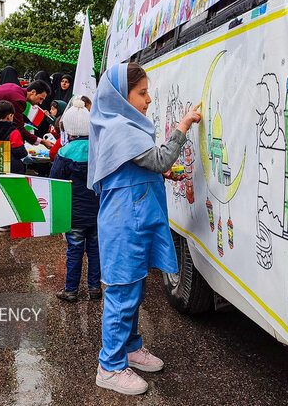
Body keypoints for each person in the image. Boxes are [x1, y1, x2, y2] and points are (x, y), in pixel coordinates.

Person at [88, 63, 201, 395]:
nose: (149, 99)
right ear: (122, 97)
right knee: (123, 294)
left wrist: (159, 174)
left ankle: (131, 348)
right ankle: (109, 366)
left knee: (133, 291)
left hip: (133, 218)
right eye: (142, 93)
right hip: (125, 223)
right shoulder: (121, 128)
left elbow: (137, 167)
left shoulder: (120, 124)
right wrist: (182, 126)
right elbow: (161, 159)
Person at [50, 98, 100, 302]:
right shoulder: (99, 150)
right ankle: (95, 288)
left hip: (74, 214)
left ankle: (71, 290)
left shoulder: (64, 152)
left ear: (68, 130)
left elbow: (54, 181)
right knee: (95, 250)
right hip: (97, 211)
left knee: (74, 251)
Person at [0, 80, 54, 148]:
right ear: (33, 92)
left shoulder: (14, 87)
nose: (40, 103)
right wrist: (42, 141)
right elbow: (18, 127)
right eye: (40, 99)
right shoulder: (19, 100)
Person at [0, 100, 28, 175]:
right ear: (10, 116)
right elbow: (20, 151)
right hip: (11, 168)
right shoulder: (13, 131)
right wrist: (25, 152)